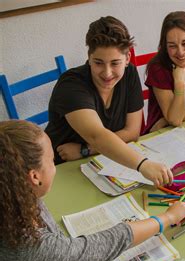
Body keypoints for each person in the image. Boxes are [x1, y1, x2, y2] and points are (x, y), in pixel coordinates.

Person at [0, 120, 185, 261]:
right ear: (34, 177)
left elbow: (57, 242)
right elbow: (97, 247)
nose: (54, 168)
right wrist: (166, 218)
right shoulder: (26, 247)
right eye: (52, 161)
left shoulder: (14, 194)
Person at [45, 16, 173, 186]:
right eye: (99, 63)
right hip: (60, 171)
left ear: (127, 58)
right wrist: (143, 164)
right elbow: (97, 135)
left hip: (102, 163)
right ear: (89, 57)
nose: (107, 73)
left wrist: (85, 150)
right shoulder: (71, 85)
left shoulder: (129, 74)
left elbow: (132, 132)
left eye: (115, 63)